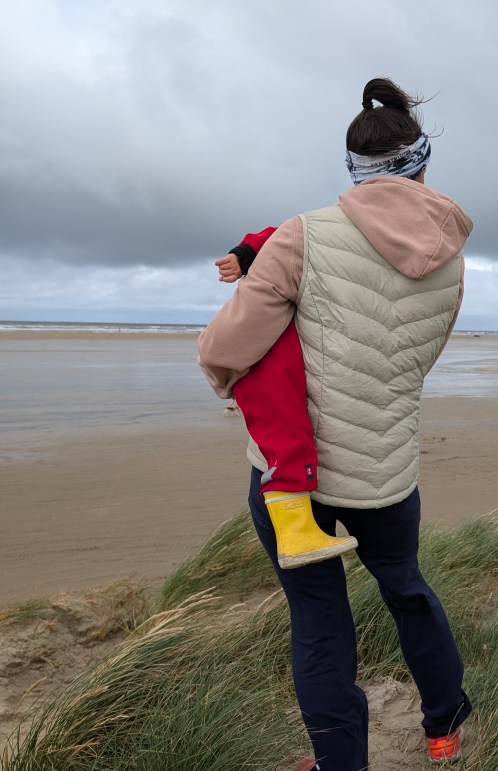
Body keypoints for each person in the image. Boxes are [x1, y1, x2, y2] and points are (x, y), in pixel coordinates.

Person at [198, 77, 472, 770]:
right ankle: (443, 727)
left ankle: (340, 763)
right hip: (388, 467)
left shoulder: (301, 237)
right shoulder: (451, 256)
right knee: (407, 589)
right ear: (421, 164)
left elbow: (223, 348)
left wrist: (236, 385)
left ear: (354, 170)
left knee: (320, 623)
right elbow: (420, 357)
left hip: (298, 475)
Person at [214, 226, 358, 569]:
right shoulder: (311, 236)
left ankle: (296, 530)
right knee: (283, 425)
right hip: (272, 349)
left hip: (277, 342)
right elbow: (288, 235)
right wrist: (246, 253)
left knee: (282, 422)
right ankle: (296, 531)